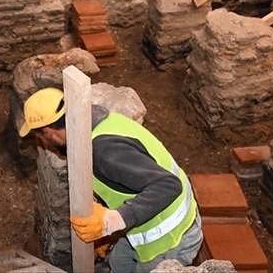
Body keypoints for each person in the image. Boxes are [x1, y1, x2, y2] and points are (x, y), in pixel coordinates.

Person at [20, 88, 203, 273]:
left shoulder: (103, 152)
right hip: (142, 223)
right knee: (118, 265)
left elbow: (168, 186)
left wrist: (111, 221)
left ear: (49, 132)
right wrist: (107, 227)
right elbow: (121, 178)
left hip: (169, 237)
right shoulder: (100, 123)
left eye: (40, 137)